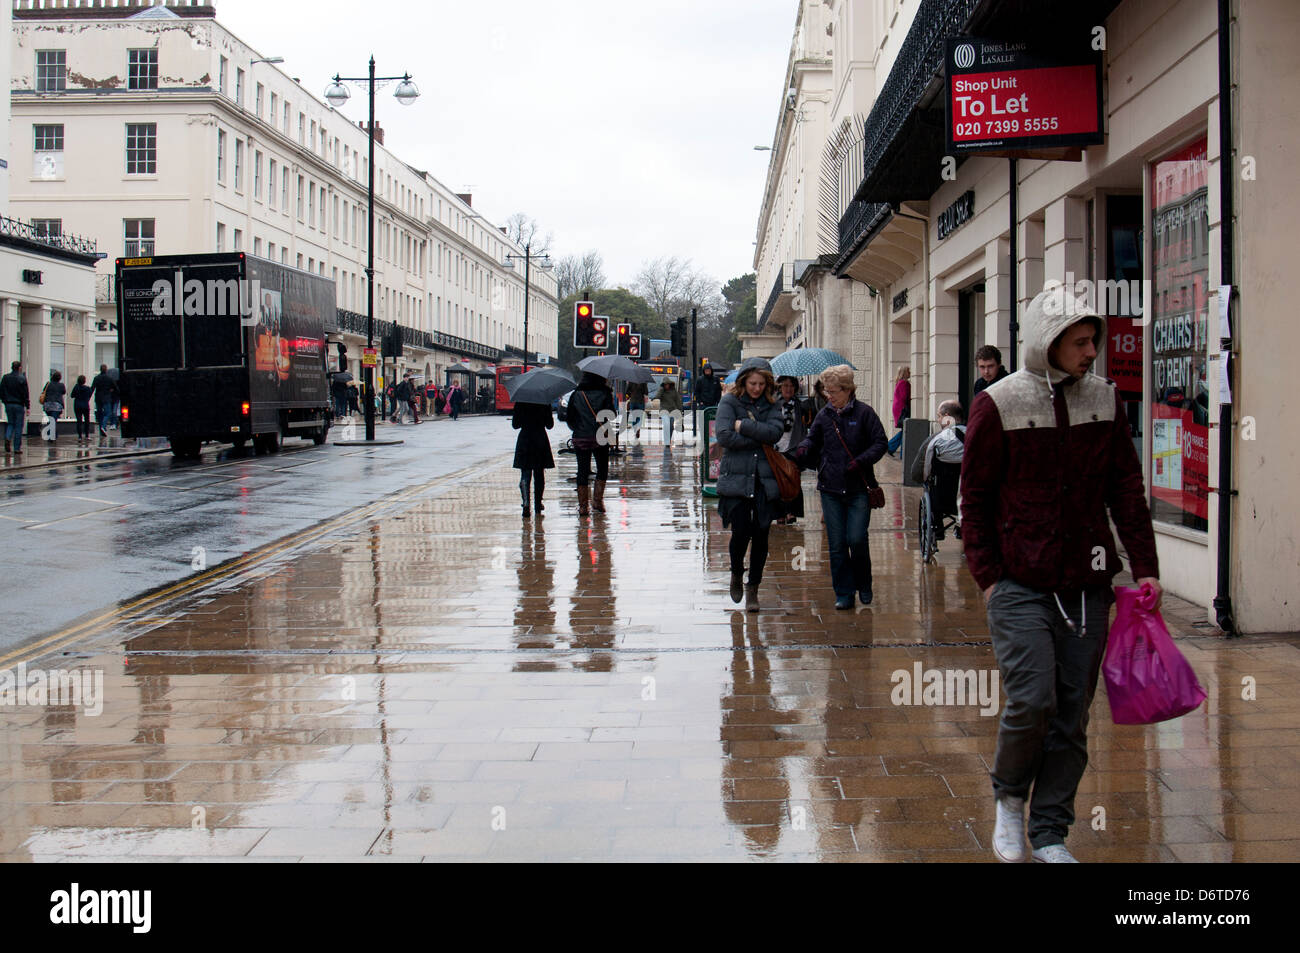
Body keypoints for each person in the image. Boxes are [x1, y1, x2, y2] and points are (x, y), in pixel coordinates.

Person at [961, 288, 1161, 864]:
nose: (1091, 350)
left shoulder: (1104, 397)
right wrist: (990, 577)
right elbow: (973, 495)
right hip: (1019, 583)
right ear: (1048, 341)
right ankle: (1007, 798)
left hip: (1087, 585)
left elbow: (1125, 487)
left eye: (1093, 339)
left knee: (1072, 714)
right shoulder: (999, 402)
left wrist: (1144, 568)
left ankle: (1050, 833)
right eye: (1080, 341)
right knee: (1032, 699)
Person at [796, 365, 887, 609]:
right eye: (827, 391)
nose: (829, 396)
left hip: (858, 487)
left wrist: (860, 461)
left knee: (856, 539)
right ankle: (844, 592)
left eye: (833, 391)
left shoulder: (865, 413)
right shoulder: (825, 415)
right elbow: (813, 439)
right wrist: (803, 447)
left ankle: (864, 583)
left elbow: (881, 443)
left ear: (847, 390)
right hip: (831, 487)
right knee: (837, 544)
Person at [715, 358, 784, 613]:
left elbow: (775, 433)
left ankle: (753, 586)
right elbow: (723, 436)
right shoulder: (729, 402)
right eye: (752, 383)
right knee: (741, 532)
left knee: (762, 533)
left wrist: (743, 426)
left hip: (764, 479)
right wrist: (758, 437)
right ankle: (736, 573)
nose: (756, 388)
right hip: (736, 478)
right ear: (743, 381)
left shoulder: (772, 404)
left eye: (761, 383)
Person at [910, 399, 967, 539]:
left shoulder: (936, 440)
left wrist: (922, 479)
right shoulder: (976, 436)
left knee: (930, 486)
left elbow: (921, 470)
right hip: (968, 493)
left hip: (942, 496)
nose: (938, 420)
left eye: (939, 416)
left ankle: (937, 528)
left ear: (947, 417)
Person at [565, 372, 616, 515]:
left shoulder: (576, 394)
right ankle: (597, 502)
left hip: (581, 437)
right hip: (600, 436)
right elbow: (612, 414)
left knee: (582, 470)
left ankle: (582, 506)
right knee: (602, 469)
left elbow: (569, 417)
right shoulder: (605, 393)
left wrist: (578, 428)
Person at [773, 375, 808, 525]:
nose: (788, 389)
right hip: (777, 447)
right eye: (785, 385)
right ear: (780, 387)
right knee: (777, 483)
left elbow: (805, 425)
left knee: (793, 480)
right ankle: (779, 513)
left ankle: (791, 512)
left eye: (791, 386)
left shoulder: (800, 405)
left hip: (793, 447)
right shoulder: (774, 404)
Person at [513, 400, 555, 518]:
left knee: (525, 472)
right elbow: (550, 425)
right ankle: (538, 504)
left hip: (525, 439)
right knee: (539, 474)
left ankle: (526, 503)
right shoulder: (544, 401)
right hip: (540, 439)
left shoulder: (521, 401)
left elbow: (515, 425)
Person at [2, 361, 29, 455]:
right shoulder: (22, 378)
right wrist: (27, 406)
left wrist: (5, 401)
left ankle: (8, 437)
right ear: (19, 368)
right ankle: (17, 448)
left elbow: (1, 391)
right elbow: (25, 393)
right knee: (18, 426)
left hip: (8, 404)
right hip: (19, 405)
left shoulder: (5, 377)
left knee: (10, 423)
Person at [886, 366, 910, 457]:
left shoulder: (899, 383)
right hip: (903, 409)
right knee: (906, 430)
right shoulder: (904, 383)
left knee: (905, 430)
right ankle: (901, 453)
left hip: (899, 409)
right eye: (908, 371)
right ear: (905, 373)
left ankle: (891, 447)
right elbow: (905, 397)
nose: (910, 372)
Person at [39, 371, 66, 443]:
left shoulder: (48, 384)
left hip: (47, 405)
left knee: (51, 420)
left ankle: (53, 435)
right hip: (56, 405)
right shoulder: (61, 385)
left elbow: (44, 391)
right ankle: (51, 436)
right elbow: (64, 392)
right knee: (53, 420)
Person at [90, 365, 116, 437]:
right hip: (107, 398)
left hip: (98, 398)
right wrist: (111, 390)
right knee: (107, 413)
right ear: (106, 370)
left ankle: (101, 430)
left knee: (100, 414)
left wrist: (88, 398)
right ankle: (103, 426)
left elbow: (92, 388)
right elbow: (115, 387)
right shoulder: (109, 378)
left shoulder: (96, 378)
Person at [658, 380, 682, 448]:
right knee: (666, 424)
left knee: (671, 426)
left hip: (672, 411)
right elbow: (657, 396)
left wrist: (679, 410)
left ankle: (668, 439)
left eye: (668, 384)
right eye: (665, 384)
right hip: (664, 411)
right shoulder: (662, 391)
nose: (667, 386)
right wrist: (661, 390)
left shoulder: (674, 391)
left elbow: (678, 401)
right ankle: (666, 441)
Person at [71, 374, 94, 443]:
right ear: (84, 381)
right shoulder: (87, 388)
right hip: (85, 406)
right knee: (87, 421)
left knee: (79, 421)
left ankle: (80, 436)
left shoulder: (76, 387)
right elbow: (90, 394)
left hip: (77, 405)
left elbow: (72, 395)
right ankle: (87, 435)